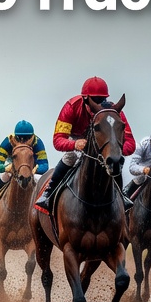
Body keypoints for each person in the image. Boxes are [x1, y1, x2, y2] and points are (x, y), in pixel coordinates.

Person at [34, 76, 137, 214]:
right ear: (85, 99)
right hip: (77, 139)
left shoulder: (113, 113)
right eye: (94, 100)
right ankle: (49, 192)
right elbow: (58, 140)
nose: (98, 103)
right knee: (70, 157)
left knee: (115, 160)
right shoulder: (71, 107)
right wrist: (74, 144)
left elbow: (130, 144)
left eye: (102, 100)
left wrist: (114, 149)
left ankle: (122, 196)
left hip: (103, 144)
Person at [0, 120, 49, 213]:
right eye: (20, 137)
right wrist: (6, 168)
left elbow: (44, 165)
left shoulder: (38, 142)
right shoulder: (8, 141)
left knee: (40, 179)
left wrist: (34, 170)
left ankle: (47, 202)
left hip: (30, 168)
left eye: (27, 137)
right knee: (5, 175)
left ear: (32, 136)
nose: (23, 140)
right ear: (16, 136)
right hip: (13, 166)